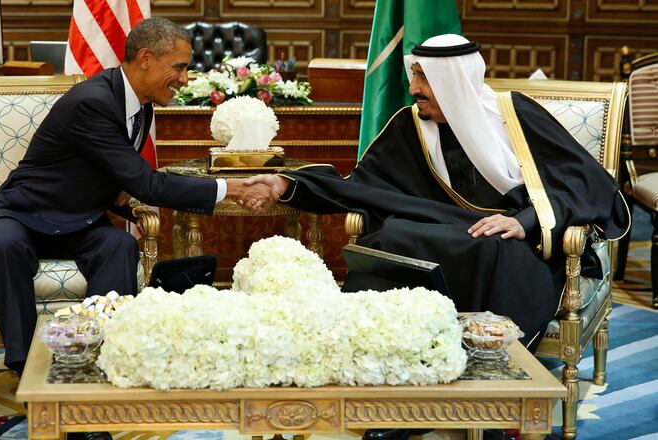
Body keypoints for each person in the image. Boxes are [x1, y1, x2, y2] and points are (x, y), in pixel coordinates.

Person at [245, 34, 629, 350]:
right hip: (438, 229)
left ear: (454, 82)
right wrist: (287, 184)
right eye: (414, 76)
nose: (413, 89)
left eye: (424, 78)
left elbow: (586, 182)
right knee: (391, 237)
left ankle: (489, 369)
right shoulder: (409, 126)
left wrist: (525, 221)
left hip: (510, 241)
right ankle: (394, 355)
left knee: (489, 245)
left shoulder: (513, 114)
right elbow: (359, 188)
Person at [0, 17, 272, 379]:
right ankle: (26, 366)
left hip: (78, 220)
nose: (185, 79)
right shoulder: (92, 101)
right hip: (22, 214)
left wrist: (122, 196)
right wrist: (231, 188)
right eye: (179, 67)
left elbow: (106, 171)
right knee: (4, 242)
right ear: (145, 59)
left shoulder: (141, 105)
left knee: (119, 245)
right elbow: (147, 184)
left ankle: (105, 356)